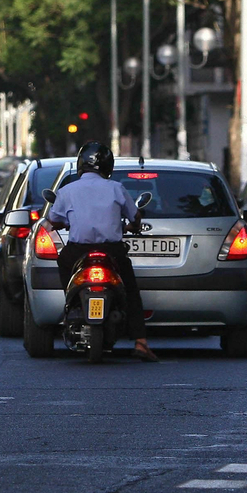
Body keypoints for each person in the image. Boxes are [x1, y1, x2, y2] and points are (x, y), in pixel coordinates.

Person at [47, 141, 157, 362]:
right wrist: (132, 227)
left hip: (78, 252)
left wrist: (67, 223)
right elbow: (135, 216)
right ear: (108, 166)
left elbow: (53, 220)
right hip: (112, 251)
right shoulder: (116, 188)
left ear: (81, 165)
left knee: (63, 263)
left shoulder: (67, 190)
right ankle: (141, 342)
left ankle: (72, 303)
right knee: (130, 291)